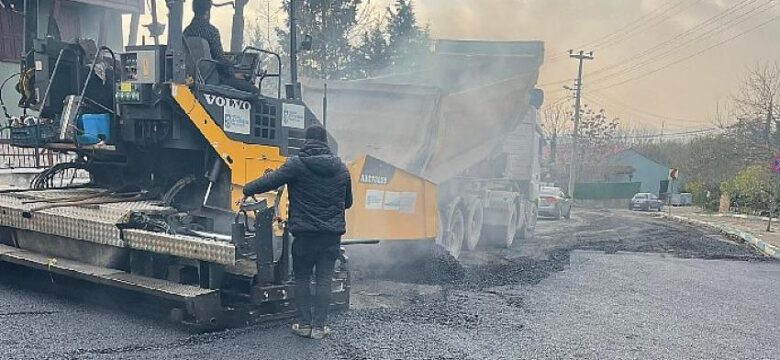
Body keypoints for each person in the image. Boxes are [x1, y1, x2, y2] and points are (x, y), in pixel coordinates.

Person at [242, 125, 353, 340]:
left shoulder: (297, 165)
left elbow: (270, 180)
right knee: (324, 279)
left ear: (307, 141)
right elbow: (348, 202)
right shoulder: (342, 169)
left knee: (301, 278)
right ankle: (320, 327)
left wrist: (247, 190)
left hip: (305, 235)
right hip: (331, 236)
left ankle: (304, 324)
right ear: (326, 143)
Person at [183, 0, 259, 94]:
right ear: (207, 11)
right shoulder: (211, 31)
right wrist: (234, 73)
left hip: (193, 78)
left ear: (194, 9)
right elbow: (220, 59)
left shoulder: (186, 32)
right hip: (212, 79)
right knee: (254, 91)